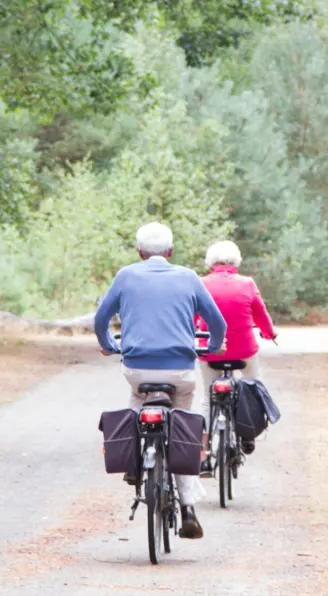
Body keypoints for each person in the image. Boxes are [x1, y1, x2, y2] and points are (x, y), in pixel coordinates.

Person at [94, 222, 225, 540]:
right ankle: (189, 509)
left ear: (139, 252)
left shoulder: (126, 275)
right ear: (171, 251)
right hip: (179, 371)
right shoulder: (188, 277)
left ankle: (132, 461)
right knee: (182, 429)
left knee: (137, 402)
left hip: (137, 369)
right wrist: (210, 346)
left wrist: (111, 344)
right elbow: (216, 322)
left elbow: (101, 319)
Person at [195, 241, 276, 454]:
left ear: (211, 262)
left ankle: (202, 453)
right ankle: (249, 435)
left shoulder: (201, 283)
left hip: (210, 350)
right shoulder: (247, 283)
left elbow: (191, 316)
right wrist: (269, 333)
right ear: (236, 261)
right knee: (253, 386)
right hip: (243, 351)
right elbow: (261, 314)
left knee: (207, 398)